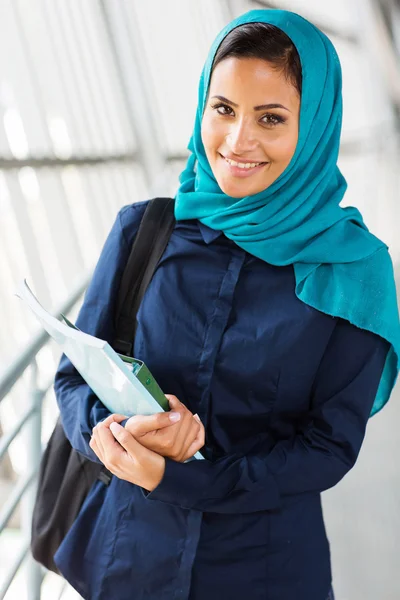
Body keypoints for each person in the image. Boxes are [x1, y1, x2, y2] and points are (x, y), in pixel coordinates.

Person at [53, 9, 400, 600]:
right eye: (224, 109)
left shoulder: (352, 273)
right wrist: (114, 433)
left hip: (262, 570)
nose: (238, 141)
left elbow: (327, 448)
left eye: (271, 118)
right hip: (128, 557)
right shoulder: (144, 231)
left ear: (314, 126)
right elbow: (73, 378)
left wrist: (183, 478)